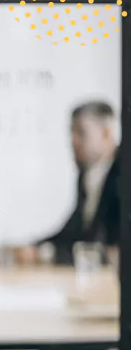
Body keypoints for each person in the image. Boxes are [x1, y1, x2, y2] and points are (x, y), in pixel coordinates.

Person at [15, 101, 120, 265]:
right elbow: (74, 231)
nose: (73, 141)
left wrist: (46, 254)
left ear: (106, 133)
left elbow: (109, 249)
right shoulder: (87, 176)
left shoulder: (123, 174)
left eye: (81, 132)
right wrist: (35, 247)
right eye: (71, 132)